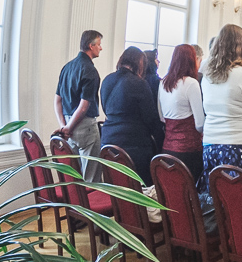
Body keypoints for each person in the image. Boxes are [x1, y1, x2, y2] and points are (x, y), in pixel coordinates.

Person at [201, 24, 242, 223]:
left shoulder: (207, 75)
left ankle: (223, 237)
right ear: (240, 45)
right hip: (239, 146)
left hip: (211, 145)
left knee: (218, 201)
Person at [99, 46, 165, 185]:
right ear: (140, 63)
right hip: (134, 145)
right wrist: (162, 143)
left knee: (115, 184)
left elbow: (105, 108)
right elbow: (151, 118)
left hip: (107, 142)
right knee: (141, 187)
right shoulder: (139, 83)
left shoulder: (107, 80)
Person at [55, 30, 103, 181]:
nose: (101, 48)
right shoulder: (90, 70)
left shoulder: (67, 67)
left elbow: (57, 100)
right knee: (91, 178)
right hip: (85, 124)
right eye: (99, 44)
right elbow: (83, 106)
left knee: (74, 177)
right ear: (91, 46)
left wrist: (64, 127)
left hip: (68, 124)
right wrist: (68, 128)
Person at [157, 44, 205, 183]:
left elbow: (162, 117)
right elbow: (200, 124)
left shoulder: (163, 82)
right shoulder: (191, 83)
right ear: (192, 60)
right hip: (189, 151)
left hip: (167, 150)